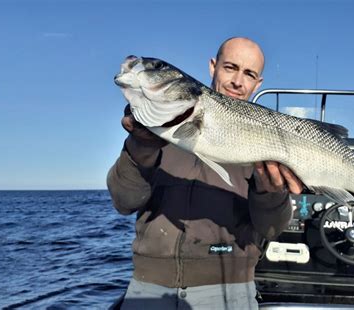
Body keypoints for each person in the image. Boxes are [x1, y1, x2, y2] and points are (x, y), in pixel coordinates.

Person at [107, 37, 303, 309]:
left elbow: (272, 228)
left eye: (249, 74)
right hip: (148, 289)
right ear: (213, 66)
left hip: (228, 293)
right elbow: (124, 202)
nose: (238, 81)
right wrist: (139, 149)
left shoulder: (267, 140)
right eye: (230, 67)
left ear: (258, 84)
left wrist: (271, 193)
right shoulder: (155, 132)